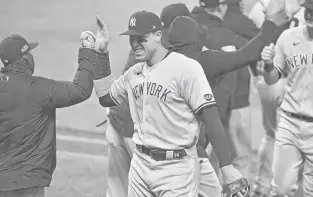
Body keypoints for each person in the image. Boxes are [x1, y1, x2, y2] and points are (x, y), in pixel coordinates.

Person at [94, 10, 247, 197]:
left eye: (141, 38)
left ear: (159, 35)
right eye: (132, 39)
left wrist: (226, 167)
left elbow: (211, 118)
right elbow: (106, 98)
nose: (135, 44)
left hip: (177, 169)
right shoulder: (134, 73)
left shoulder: (187, 69)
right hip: (141, 166)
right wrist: (101, 55)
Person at [0, 30, 98, 196]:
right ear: (24, 58)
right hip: (29, 183)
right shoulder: (39, 89)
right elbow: (80, 89)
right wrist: (88, 50)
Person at [261, 0, 313, 196]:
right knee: (281, 190)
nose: (309, 15)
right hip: (290, 123)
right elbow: (271, 78)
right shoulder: (289, 37)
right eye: (308, 10)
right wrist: (267, 64)